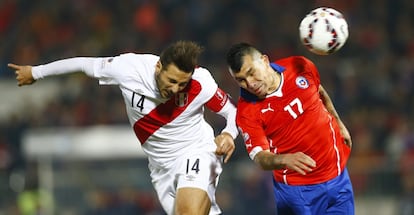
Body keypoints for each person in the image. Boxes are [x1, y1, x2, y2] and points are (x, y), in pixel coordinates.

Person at [9, 40, 239, 215]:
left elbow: (232, 111)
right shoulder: (129, 67)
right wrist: (35, 72)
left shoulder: (201, 82)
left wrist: (228, 133)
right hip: (160, 166)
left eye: (182, 83)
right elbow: (84, 64)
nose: (176, 88)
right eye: (171, 81)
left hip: (196, 149)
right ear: (159, 66)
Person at [226, 42, 354, 214]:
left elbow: (319, 91)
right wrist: (284, 159)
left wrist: (339, 123)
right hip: (299, 191)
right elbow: (259, 157)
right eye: (240, 80)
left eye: (251, 73)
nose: (249, 83)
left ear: (264, 60)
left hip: (338, 176)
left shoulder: (299, 66)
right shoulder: (247, 112)